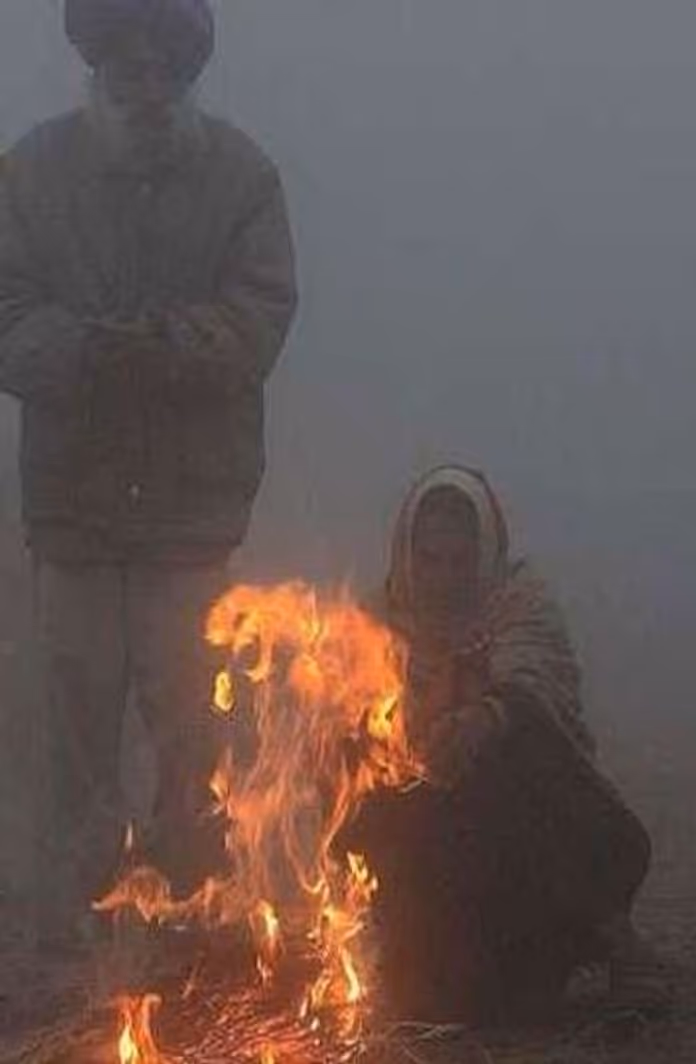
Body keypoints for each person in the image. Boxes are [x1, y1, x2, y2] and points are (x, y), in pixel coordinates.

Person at [0, 0, 297, 931]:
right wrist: (83, 353)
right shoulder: (29, 174)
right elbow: (4, 310)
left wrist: (169, 347)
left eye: (167, 68)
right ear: (95, 68)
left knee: (191, 729)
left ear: (189, 72)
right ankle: (77, 922)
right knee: (76, 725)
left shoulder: (245, 177)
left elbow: (260, 315)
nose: (149, 88)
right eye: (130, 68)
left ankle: (189, 911)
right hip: (74, 517)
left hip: (191, 520)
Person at [351, 465, 669, 1024]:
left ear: (485, 555)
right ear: (406, 554)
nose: (445, 579)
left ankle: (616, 940)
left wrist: (483, 719)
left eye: (459, 561)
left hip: (529, 840)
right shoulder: (370, 623)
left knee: (517, 735)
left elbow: (535, 683)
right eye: (430, 560)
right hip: (428, 850)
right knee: (448, 1009)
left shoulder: (519, 601)